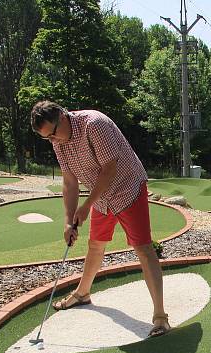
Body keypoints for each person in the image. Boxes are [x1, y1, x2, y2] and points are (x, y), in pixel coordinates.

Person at [30, 100, 171, 337]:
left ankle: (160, 317)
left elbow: (110, 169)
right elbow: (69, 182)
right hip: (103, 196)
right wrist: (68, 220)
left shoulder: (94, 124)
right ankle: (83, 293)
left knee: (143, 248)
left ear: (63, 117)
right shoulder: (58, 142)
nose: (53, 141)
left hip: (128, 188)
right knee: (95, 244)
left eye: (53, 134)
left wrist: (86, 206)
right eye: (47, 138)